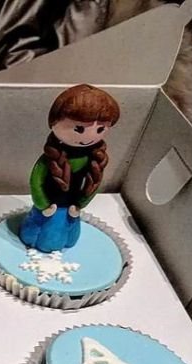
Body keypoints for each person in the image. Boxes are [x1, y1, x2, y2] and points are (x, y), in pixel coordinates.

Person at [19, 84, 120, 253]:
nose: (88, 137)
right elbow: (36, 181)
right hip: (49, 208)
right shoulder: (49, 159)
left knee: (69, 236)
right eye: (79, 128)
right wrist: (43, 204)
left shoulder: (92, 158)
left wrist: (81, 203)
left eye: (100, 129)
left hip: (71, 208)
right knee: (42, 237)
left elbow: (94, 183)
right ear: (54, 122)